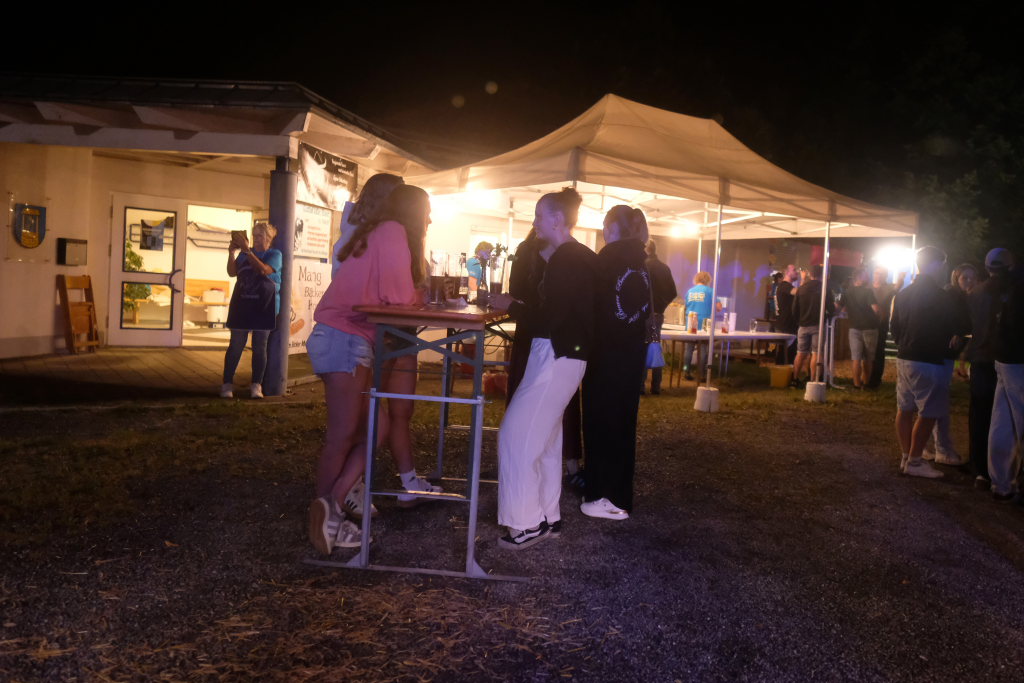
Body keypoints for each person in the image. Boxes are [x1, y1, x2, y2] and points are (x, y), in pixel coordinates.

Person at [306, 185, 436, 555]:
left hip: (344, 337)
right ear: (413, 210)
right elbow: (399, 298)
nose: (430, 217)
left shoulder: (380, 229)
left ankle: (331, 505)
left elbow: (390, 295)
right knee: (343, 435)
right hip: (344, 337)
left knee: (376, 426)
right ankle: (327, 516)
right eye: (426, 209)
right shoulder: (393, 231)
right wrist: (422, 295)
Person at [490, 188, 597, 550]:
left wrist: (512, 305)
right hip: (564, 356)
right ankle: (548, 516)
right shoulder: (578, 256)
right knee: (547, 441)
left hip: (556, 355)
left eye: (538, 215)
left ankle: (525, 524)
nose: (534, 222)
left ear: (556, 219)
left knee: (515, 438)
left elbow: (552, 317)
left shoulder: (568, 259)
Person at [580, 206, 651, 521]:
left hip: (605, 357)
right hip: (631, 357)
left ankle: (601, 495)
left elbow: (591, 309)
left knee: (600, 424)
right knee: (623, 426)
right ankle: (621, 496)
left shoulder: (606, 261)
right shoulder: (641, 262)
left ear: (609, 228)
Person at [890, 246, 971, 479]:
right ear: (936, 265)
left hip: (905, 356)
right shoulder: (941, 297)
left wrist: (905, 342)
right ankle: (915, 461)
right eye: (943, 264)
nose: (944, 268)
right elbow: (960, 325)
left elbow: (894, 327)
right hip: (929, 359)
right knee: (929, 412)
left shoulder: (903, 294)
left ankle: (906, 456)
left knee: (905, 408)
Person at [967, 249, 1015, 488]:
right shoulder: (1012, 292)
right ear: (1010, 266)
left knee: (980, 414)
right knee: (1004, 418)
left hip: (979, 359)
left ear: (987, 268)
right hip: (1005, 360)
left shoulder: (975, 292)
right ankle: (1003, 473)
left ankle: (980, 470)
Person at [923, 262, 978, 466]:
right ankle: (940, 449)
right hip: (941, 355)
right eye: (965, 278)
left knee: (934, 401)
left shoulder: (963, 297)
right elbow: (953, 322)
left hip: (945, 355)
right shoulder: (952, 296)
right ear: (956, 278)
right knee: (937, 401)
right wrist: (957, 332)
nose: (969, 281)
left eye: (972, 278)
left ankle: (928, 446)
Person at [221, 222, 282, 399]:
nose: (255, 239)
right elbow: (232, 272)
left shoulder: (274, 254)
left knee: (260, 347)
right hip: (242, 304)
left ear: (269, 238)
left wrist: (247, 251)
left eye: (259, 236)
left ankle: (256, 385)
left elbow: (263, 270)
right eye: (254, 235)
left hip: (265, 306)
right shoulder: (244, 254)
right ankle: (227, 384)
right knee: (235, 346)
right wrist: (231, 253)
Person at [985, 249, 1023, 501]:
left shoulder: (987, 290)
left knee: (1002, 421)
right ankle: (1017, 484)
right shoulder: (1017, 286)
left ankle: (1000, 482)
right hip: (1019, 360)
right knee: (1018, 421)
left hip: (1001, 357)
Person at [331, 173, 404, 276]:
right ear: (385, 198)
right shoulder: (366, 231)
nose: (403, 202)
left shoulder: (357, 227)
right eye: (400, 196)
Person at [642, 239, 677, 395]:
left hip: (644, 314)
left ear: (646, 249)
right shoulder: (664, 268)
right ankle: (656, 386)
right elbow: (673, 292)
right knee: (655, 347)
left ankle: (640, 386)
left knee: (643, 348)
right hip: (658, 315)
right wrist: (661, 305)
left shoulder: (642, 266)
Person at [837, 267, 880, 389]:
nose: (868, 277)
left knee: (855, 358)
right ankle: (866, 384)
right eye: (865, 275)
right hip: (870, 328)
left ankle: (856, 384)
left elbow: (838, 308)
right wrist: (879, 317)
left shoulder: (847, 292)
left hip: (854, 328)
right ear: (860, 277)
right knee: (868, 358)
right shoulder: (868, 292)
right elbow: (876, 309)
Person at [791, 264, 834, 385]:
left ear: (810, 274)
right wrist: (827, 316)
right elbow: (831, 308)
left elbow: (794, 309)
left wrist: (799, 321)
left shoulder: (801, 289)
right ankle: (813, 381)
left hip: (803, 325)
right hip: (817, 325)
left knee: (800, 353)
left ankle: (794, 379)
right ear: (821, 275)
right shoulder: (824, 289)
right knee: (816, 353)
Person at [866, 266, 897, 389]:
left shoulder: (889, 288)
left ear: (885, 276)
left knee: (878, 351)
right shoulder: (868, 287)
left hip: (880, 324)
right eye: (876, 273)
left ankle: (875, 380)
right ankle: (866, 378)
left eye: (880, 273)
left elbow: (896, 290)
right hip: (867, 324)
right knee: (867, 352)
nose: (877, 275)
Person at [682, 271, 714, 381]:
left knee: (689, 349)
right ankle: (701, 374)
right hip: (704, 323)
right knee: (703, 349)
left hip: (691, 321)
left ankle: (686, 370)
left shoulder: (689, 291)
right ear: (708, 280)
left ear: (696, 279)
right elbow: (718, 307)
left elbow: (686, 305)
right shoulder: (710, 291)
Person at [773, 264, 799, 365]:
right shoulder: (784, 286)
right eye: (794, 270)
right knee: (784, 357)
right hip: (785, 326)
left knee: (789, 356)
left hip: (788, 326)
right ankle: (779, 373)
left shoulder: (786, 286)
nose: (797, 272)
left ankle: (786, 373)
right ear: (787, 272)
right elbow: (799, 292)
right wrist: (804, 280)